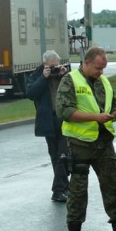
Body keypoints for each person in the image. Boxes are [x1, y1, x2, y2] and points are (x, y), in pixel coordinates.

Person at [56, 47, 116, 231]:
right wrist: (95, 118)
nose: (101, 72)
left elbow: (112, 104)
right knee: (78, 191)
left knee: (112, 184)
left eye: (103, 68)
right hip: (80, 144)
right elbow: (65, 111)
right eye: (98, 68)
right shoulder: (70, 80)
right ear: (86, 63)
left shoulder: (104, 82)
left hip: (103, 141)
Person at [26, 50, 70, 202]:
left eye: (56, 66)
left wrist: (65, 74)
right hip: (48, 121)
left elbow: (77, 89)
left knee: (64, 155)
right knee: (56, 155)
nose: (54, 69)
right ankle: (61, 189)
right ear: (44, 65)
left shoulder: (64, 75)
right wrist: (44, 78)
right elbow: (31, 93)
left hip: (65, 119)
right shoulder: (36, 76)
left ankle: (60, 189)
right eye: (51, 66)